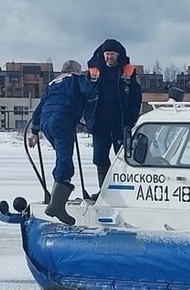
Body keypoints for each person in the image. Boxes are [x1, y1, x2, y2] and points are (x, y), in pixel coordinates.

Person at [27, 60, 98, 225]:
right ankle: (57, 205)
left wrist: (34, 132)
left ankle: (55, 200)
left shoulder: (52, 84)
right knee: (65, 163)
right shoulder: (76, 79)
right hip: (63, 120)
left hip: (46, 123)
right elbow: (92, 93)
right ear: (74, 70)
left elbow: (39, 108)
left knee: (61, 158)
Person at [86, 38, 142, 190]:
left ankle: (123, 189)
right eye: (107, 54)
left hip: (121, 122)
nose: (109, 57)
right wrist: (87, 117)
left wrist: (131, 120)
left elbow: (136, 97)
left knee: (123, 157)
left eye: (112, 54)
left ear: (118, 55)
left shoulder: (129, 70)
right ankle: (104, 191)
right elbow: (85, 96)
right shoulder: (93, 70)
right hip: (99, 123)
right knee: (100, 158)